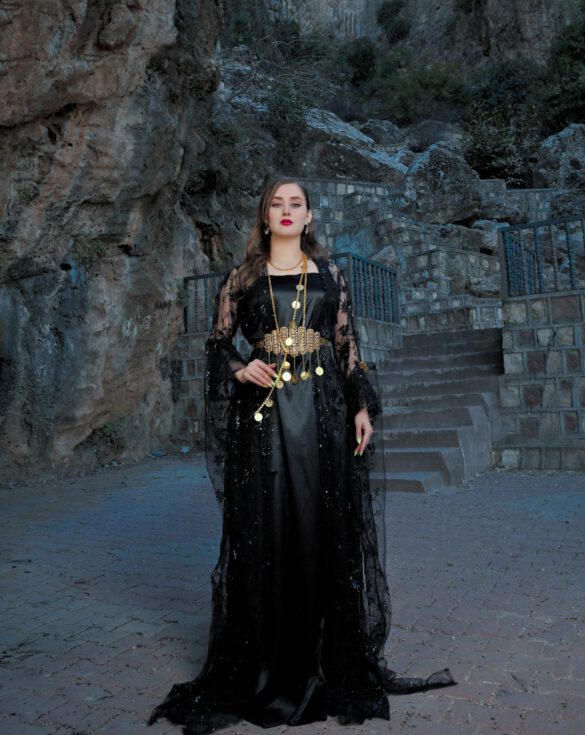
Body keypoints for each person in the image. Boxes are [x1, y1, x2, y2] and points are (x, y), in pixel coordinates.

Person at [148, 177, 455, 734]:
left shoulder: (331, 275)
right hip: (262, 421)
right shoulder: (241, 279)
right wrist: (240, 367)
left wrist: (361, 406)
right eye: (277, 203)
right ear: (264, 216)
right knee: (265, 531)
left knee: (319, 530)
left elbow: (348, 348)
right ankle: (269, 667)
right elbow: (216, 345)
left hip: (323, 416)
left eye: (296, 204)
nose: (287, 211)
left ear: (309, 215)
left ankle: (322, 664)